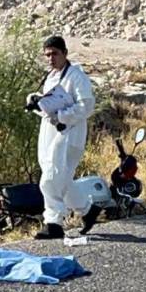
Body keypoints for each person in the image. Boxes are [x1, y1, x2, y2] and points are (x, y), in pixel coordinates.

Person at [30, 35, 97, 240]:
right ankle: (88, 210)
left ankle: (54, 222)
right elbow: (49, 103)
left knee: (50, 178)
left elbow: (86, 105)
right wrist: (36, 103)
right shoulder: (51, 76)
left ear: (65, 53)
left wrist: (62, 115)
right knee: (62, 178)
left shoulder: (76, 76)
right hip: (50, 132)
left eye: (55, 54)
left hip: (69, 133)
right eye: (47, 55)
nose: (51, 58)